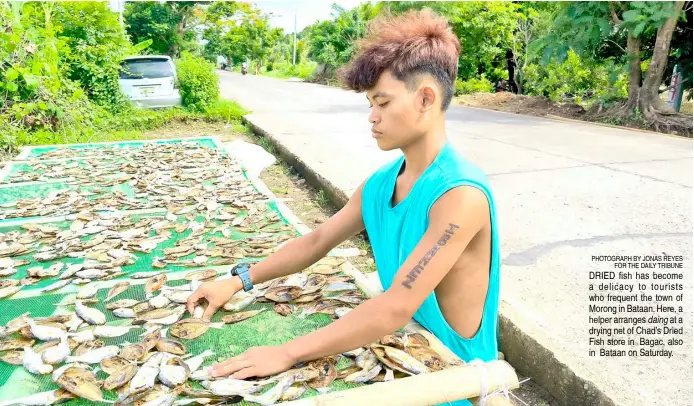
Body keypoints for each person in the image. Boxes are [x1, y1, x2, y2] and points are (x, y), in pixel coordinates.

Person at [187, 8, 500, 404]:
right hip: (398, 353)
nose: (372, 117)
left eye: (382, 103)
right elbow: (317, 241)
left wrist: (286, 352)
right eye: (370, 103)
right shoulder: (382, 182)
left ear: (425, 98)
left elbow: (395, 308)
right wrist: (237, 280)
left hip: (455, 381)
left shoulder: (460, 194)